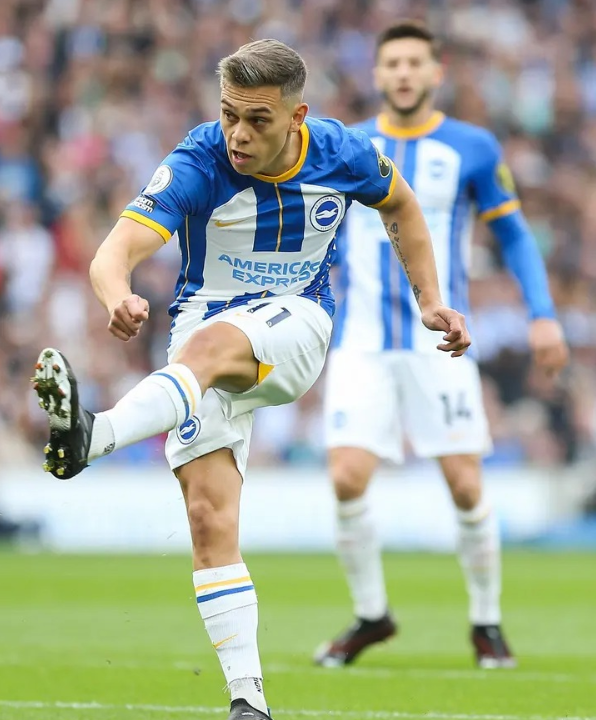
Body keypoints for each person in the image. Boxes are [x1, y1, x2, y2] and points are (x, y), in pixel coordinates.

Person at [31, 39, 470, 720]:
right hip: (200, 331)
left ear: (297, 116)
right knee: (209, 519)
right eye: (229, 113)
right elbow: (114, 251)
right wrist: (117, 295)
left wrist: (429, 299)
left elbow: (402, 206)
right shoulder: (198, 159)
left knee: (208, 348)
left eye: (257, 119)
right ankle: (249, 701)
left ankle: (94, 436)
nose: (238, 133)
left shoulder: (342, 153)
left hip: (297, 323)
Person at [315, 21, 569, 671]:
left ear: (436, 72)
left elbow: (513, 235)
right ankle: (371, 615)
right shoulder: (348, 145)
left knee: (463, 484)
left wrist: (541, 315)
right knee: (345, 477)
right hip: (361, 340)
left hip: (442, 342)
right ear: (376, 73)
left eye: (414, 63)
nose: (403, 73)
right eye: (392, 63)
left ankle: (486, 622)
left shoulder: (471, 147)